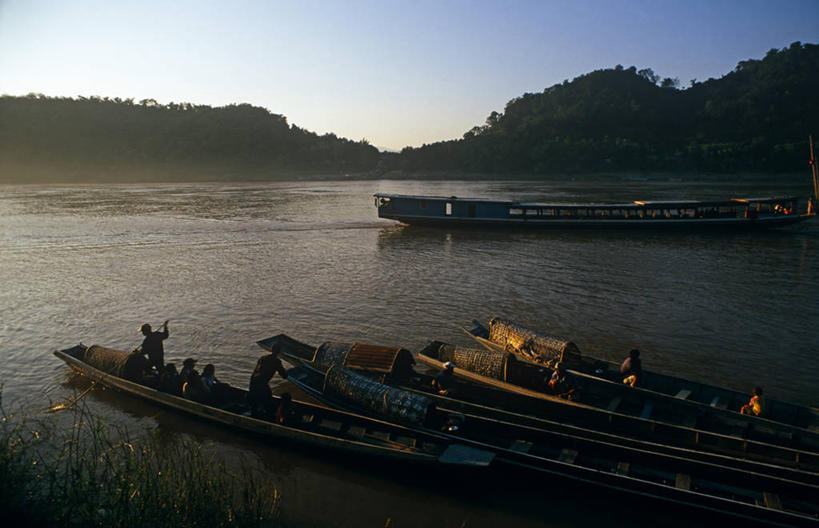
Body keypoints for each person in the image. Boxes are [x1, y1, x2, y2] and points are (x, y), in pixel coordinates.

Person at [248, 343, 288, 416]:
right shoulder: (276, 362)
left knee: (255, 402)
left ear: (270, 350)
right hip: (262, 383)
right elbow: (284, 375)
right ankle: (265, 416)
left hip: (253, 381)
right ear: (279, 352)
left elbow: (256, 371)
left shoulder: (263, 358)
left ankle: (255, 413)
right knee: (268, 400)